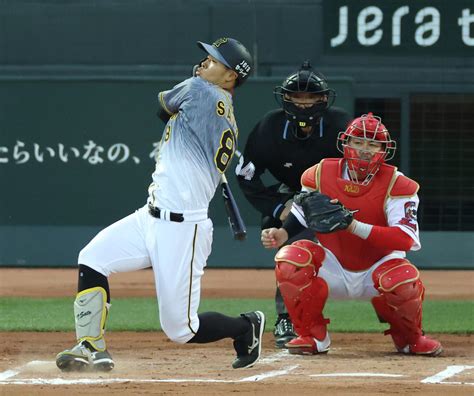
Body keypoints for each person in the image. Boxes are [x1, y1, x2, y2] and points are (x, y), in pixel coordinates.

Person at [55, 37, 265, 372]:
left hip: (183, 230)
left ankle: (246, 327)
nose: (202, 64)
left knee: (181, 329)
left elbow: (161, 106)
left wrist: (194, 82)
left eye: (212, 61)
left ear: (230, 76)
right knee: (92, 258)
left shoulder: (199, 90)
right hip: (150, 216)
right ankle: (91, 346)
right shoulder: (220, 107)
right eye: (206, 58)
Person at [261, 113, 442, 356]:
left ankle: (410, 337)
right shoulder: (318, 173)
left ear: (383, 149)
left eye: (372, 144)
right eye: (358, 142)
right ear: (346, 144)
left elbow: (404, 238)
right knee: (290, 258)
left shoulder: (399, 184)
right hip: (333, 265)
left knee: (403, 279)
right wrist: (283, 233)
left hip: (378, 268)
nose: (364, 150)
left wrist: (353, 225)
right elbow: (302, 212)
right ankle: (311, 335)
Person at [235, 61, 352, 348]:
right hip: (291, 195)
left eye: (311, 97)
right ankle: (289, 317)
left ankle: (398, 318)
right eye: (297, 97)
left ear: (324, 99)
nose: (304, 104)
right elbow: (246, 174)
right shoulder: (269, 127)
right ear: (285, 99)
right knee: (293, 251)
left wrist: (344, 201)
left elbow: (361, 168)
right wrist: (278, 208)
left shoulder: (341, 125)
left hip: (336, 195)